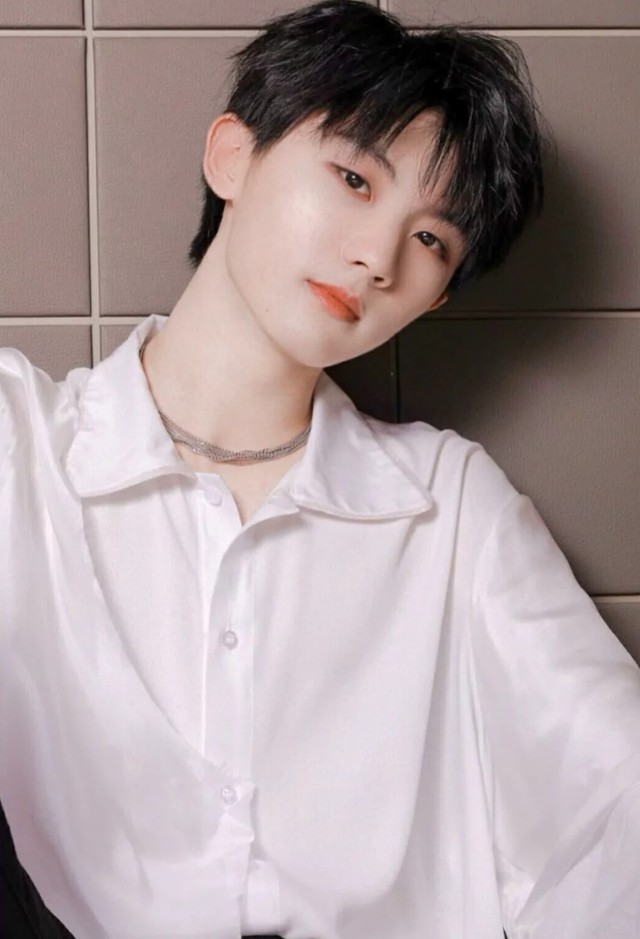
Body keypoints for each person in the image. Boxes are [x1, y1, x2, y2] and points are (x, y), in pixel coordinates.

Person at [1, 1, 639, 937]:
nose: (377, 257)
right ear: (233, 157)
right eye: (353, 178)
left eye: (432, 240)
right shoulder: (20, 444)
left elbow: (620, 798)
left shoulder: (450, 507)